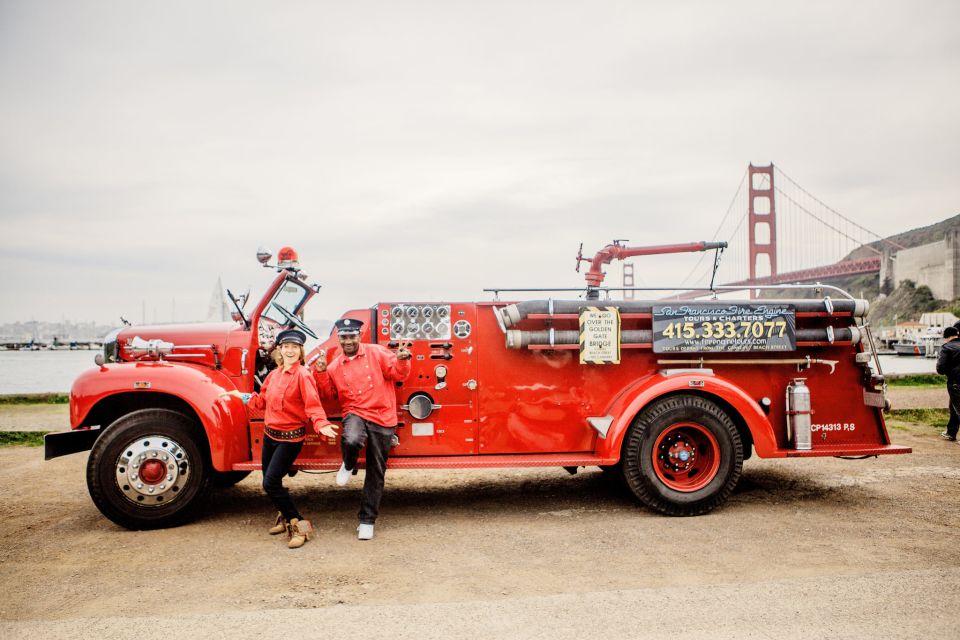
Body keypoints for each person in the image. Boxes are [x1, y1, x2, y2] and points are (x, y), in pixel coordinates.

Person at [223, 328, 338, 548]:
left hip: (290, 439)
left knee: (270, 482)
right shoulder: (273, 375)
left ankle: (299, 524)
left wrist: (321, 423)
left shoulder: (304, 375)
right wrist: (241, 396)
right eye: (286, 347)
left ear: (301, 351)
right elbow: (262, 401)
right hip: (270, 436)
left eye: (295, 347)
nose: (290, 350)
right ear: (280, 350)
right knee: (269, 483)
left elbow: (313, 405)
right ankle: (284, 518)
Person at [313, 318, 412, 540]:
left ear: (359, 336)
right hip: (355, 411)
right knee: (350, 439)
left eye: (352, 336)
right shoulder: (335, 365)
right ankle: (348, 464)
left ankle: (367, 520)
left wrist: (403, 360)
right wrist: (320, 373)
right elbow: (329, 394)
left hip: (382, 414)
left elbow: (398, 374)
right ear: (339, 339)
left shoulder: (377, 353)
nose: (348, 341)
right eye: (344, 337)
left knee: (377, 469)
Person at [936, 325, 960, 443]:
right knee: (953, 406)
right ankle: (951, 432)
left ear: (947, 336)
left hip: (956, 382)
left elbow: (940, 368)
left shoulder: (947, 347)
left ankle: (951, 433)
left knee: (958, 407)